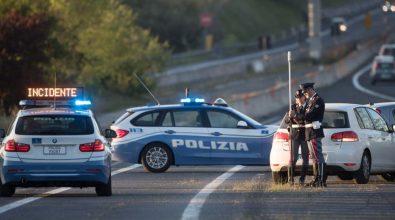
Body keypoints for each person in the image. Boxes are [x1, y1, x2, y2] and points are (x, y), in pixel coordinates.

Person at [299, 82, 326, 187]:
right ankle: (316, 178)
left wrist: (299, 115)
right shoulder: (310, 101)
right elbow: (305, 115)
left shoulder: (317, 100)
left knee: (318, 155)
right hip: (309, 131)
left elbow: (310, 116)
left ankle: (322, 179)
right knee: (314, 157)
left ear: (310, 90)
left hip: (315, 131)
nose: (305, 95)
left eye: (305, 93)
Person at [286, 89, 309, 185]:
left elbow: (306, 117)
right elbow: (287, 121)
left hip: (305, 134)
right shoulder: (292, 107)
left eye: (300, 97)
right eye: (297, 97)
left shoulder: (308, 106)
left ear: (304, 97)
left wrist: (297, 115)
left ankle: (302, 179)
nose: (299, 99)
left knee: (305, 158)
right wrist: (290, 116)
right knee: (293, 158)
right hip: (295, 135)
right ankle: (290, 178)